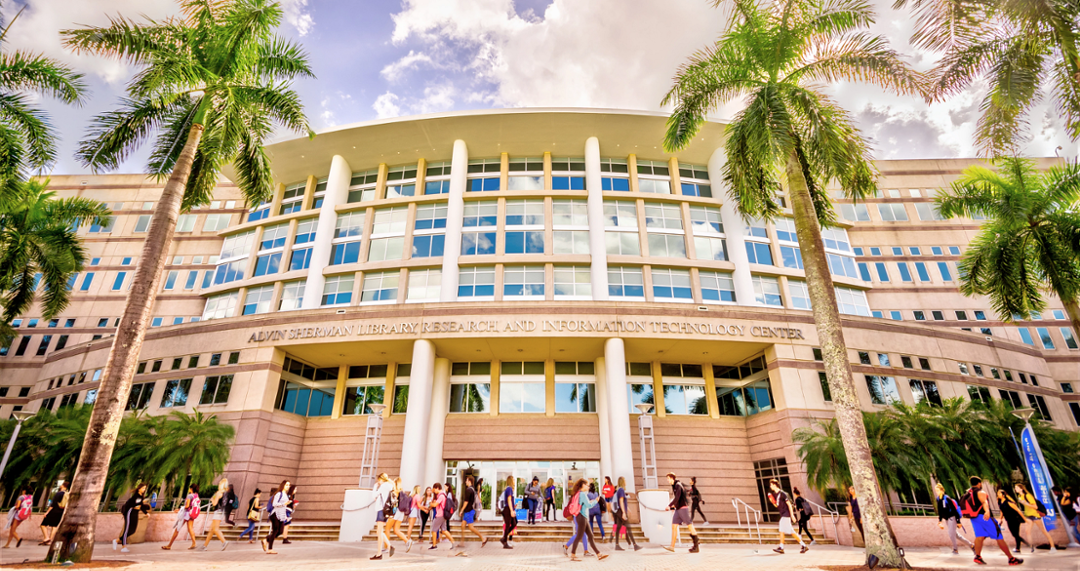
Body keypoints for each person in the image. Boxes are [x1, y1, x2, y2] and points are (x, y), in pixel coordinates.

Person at [963, 476, 1022, 565]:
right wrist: (987, 511)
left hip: (974, 518)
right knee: (999, 536)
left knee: (979, 536)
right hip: (984, 517)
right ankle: (1011, 559)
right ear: (979, 483)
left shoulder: (968, 492)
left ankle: (978, 557)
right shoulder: (980, 492)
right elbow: (984, 502)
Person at [568, 478, 608, 561]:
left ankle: (598, 554)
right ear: (583, 485)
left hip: (583, 517)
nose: (588, 486)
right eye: (587, 485)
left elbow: (585, 504)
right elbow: (589, 506)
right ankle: (573, 554)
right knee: (579, 536)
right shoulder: (582, 494)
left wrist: (591, 501)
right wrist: (596, 501)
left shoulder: (579, 493)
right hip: (582, 517)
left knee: (590, 535)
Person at [768, 479, 808, 554]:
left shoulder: (783, 493)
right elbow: (777, 505)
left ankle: (781, 547)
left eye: (771, 485)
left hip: (786, 514)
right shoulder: (775, 495)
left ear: (775, 485)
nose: (770, 486)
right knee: (792, 532)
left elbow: (789, 505)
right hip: (783, 514)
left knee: (781, 529)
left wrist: (792, 515)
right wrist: (772, 501)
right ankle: (804, 545)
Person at [1014, 483, 1056, 552]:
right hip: (1028, 515)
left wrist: (1025, 503)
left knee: (1044, 531)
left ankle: (1053, 547)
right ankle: (1031, 547)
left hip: (1035, 515)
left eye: (1017, 488)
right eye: (1015, 488)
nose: (1015, 489)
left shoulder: (1028, 496)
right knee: (1027, 531)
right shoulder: (1019, 496)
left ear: (1021, 489)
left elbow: (1035, 506)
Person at [664, 472, 700, 553]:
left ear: (672, 478)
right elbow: (678, 499)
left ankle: (696, 546)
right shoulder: (674, 486)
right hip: (678, 509)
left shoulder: (678, 485)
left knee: (689, 525)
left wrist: (669, 505)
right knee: (674, 526)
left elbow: (677, 497)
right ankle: (672, 547)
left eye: (668, 478)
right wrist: (673, 506)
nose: (667, 480)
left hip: (683, 509)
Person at [935, 483, 973, 555]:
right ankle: (971, 545)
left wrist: (958, 521)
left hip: (952, 518)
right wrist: (940, 521)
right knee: (956, 535)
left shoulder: (947, 498)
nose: (937, 492)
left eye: (938, 490)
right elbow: (940, 511)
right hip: (947, 519)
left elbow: (954, 510)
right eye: (936, 491)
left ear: (942, 490)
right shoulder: (938, 499)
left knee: (950, 533)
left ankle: (955, 549)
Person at [113, 482, 149, 552]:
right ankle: (124, 547)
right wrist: (135, 506)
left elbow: (141, 506)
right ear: (139, 488)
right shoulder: (135, 496)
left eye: (144, 488)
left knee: (133, 530)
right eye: (143, 488)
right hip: (129, 513)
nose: (144, 489)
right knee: (127, 529)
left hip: (135, 513)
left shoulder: (141, 496)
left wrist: (146, 513)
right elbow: (130, 504)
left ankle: (116, 541)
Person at [163, 484, 199, 551]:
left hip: (186, 514)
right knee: (190, 528)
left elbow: (187, 506)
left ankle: (169, 545)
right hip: (192, 513)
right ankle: (194, 543)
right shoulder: (196, 496)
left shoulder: (189, 496)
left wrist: (179, 509)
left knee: (177, 529)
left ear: (191, 488)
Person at [611, 476, 641, 552]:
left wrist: (628, 509)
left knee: (618, 528)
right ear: (623, 482)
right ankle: (635, 545)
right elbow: (621, 501)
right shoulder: (621, 490)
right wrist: (624, 512)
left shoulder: (619, 490)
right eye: (625, 481)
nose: (626, 482)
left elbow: (622, 501)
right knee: (628, 528)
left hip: (618, 511)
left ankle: (617, 545)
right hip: (621, 512)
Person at [261, 480, 290, 554]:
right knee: (275, 531)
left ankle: (266, 540)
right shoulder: (279, 493)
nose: (288, 486)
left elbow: (284, 507)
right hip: (275, 514)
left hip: (281, 515)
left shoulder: (285, 494)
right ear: (283, 485)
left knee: (280, 531)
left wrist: (285, 516)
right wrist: (284, 504)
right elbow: (274, 504)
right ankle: (270, 549)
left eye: (289, 485)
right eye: (286, 485)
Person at [371, 473, 395, 560]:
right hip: (386, 510)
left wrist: (375, 487)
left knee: (379, 532)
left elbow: (374, 496)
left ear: (381, 479)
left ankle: (380, 553)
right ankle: (388, 547)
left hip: (381, 510)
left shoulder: (383, 486)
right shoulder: (390, 486)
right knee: (379, 532)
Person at [998, 488, 1030, 554]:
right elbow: (1001, 512)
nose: (998, 495)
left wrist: (1025, 519)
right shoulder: (1000, 502)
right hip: (1008, 520)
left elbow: (1018, 510)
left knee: (1016, 534)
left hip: (1015, 519)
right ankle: (1024, 545)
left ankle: (1020, 548)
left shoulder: (1009, 502)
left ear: (1003, 495)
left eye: (999, 493)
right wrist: (1001, 519)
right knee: (1015, 535)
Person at [428, 482, 458, 552]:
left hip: (440, 515)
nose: (434, 491)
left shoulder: (441, 496)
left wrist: (430, 503)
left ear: (437, 488)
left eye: (434, 489)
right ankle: (453, 542)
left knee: (434, 530)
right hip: (443, 515)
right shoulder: (443, 495)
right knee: (444, 530)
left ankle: (434, 545)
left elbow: (435, 505)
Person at [201, 478, 230, 550]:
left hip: (217, 512)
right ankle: (205, 545)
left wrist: (213, 499)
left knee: (215, 529)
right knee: (211, 529)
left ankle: (224, 541)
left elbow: (214, 503)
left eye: (219, 484)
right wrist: (214, 497)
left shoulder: (219, 493)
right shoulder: (225, 494)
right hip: (221, 512)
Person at [459, 475, 488, 547]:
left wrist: (461, 510)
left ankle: (483, 538)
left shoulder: (469, 490)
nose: (465, 482)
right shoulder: (472, 489)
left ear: (469, 481)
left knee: (471, 527)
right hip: (468, 511)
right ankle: (462, 542)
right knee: (462, 525)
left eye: (466, 480)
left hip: (469, 511)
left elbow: (466, 502)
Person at [39, 481, 68, 546]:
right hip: (61, 511)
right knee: (54, 526)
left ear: (62, 486)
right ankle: (50, 540)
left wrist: (47, 512)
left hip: (54, 511)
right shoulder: (67, 494)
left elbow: (53, 504)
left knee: (43, 525)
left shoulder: (59, 493)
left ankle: (46, 538)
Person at [390, 478, 412, 550]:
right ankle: (407, 541)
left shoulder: (395, 491)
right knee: (396, 530)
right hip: (401, 512)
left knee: (387, 529)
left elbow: (393, 503)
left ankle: (387, 548)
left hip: (396, 511)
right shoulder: (402, 492)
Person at [499, 476, 517, 549]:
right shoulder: (509, 488)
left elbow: (510, 500)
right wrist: (511, 510)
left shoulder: (509, 489)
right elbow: (509, 500)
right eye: (513, 479)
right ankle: (505, 542)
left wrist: (513, 507)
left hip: (509, 508)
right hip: (507, 509)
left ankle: (504, 538)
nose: (514, 480)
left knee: (514, 523)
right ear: (511, 481)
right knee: (508, 525)